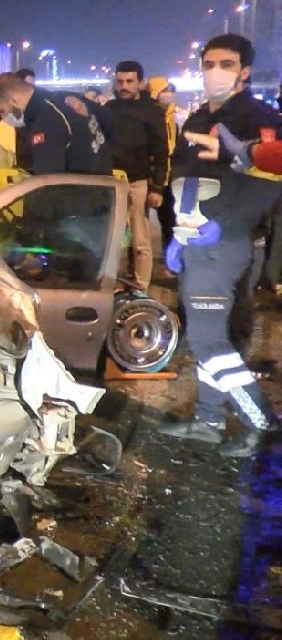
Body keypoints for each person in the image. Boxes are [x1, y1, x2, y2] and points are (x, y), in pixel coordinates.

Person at [155, 34, 282, 457]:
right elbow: (186, 183)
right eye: (209, 62)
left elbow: (267, 186)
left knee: (210, 340)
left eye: (226, 64)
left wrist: (223, 227)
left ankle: (260, 421)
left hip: (224, 242)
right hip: (196, 242)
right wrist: (177, 232)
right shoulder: (196, 120)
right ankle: (210, 419)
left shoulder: (257, 118)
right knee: (208, 336)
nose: (215, 71)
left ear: (245, 70)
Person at [106, 61, 169, 293]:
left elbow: (161, 151)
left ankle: (140, 287)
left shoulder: (151, 112)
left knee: (140, 241)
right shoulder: (110, 109)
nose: (124, 86)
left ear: (140, 83)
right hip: (112, 182)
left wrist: (157, 187)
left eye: (129, 81)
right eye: (120, 81)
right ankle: (112, 283)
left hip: (138, 182)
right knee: (112, 240)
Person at [0, 73, 112, 176]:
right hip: (105, 187)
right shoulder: (66, 97)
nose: (3, 117)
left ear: (13, 101)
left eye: (2, 111)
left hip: (80, 196)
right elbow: (108, 119)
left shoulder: (45, 120)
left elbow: (47, 180)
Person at [148, 76, 180, 251]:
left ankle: (170, 260)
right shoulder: (151, 116)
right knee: (140, 221)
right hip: (151, 175)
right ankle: (133, 263)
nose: (170, 94)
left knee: (170, 220)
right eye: (165, 91)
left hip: (169, 175)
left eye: (171, 91)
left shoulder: (171, 115)